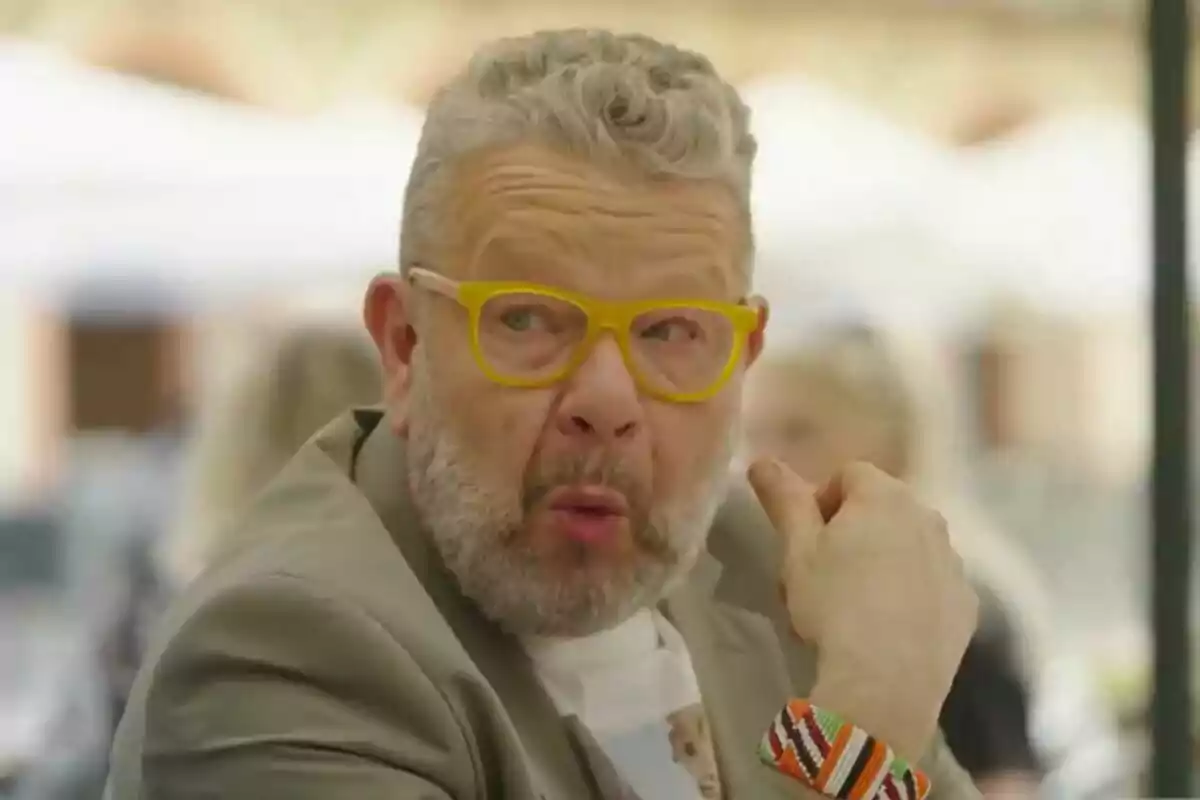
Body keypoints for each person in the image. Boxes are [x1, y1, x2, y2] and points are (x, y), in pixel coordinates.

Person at [106, 30, 981, 799]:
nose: (607, 403)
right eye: (526, 319)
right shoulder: (281, 653)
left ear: (740, 362)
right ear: (405, 347)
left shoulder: (774, 582)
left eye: (673, 331)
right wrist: (864, 734)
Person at [743, 322, 1048, 798]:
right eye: (754, 434)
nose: (764, 462)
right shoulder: (750, 602)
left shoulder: (950, 605)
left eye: (797, 433)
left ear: (889, 451)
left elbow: (1003, 787)